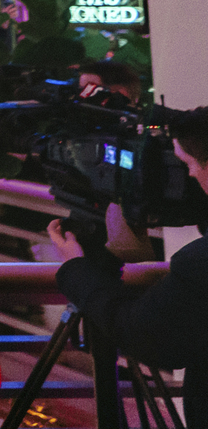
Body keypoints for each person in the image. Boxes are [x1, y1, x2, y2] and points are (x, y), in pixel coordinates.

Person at [52, 106, 208, 427]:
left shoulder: (198, 264)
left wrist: (76, 269)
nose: (189, 176)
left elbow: (145, 335)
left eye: (190, 164)